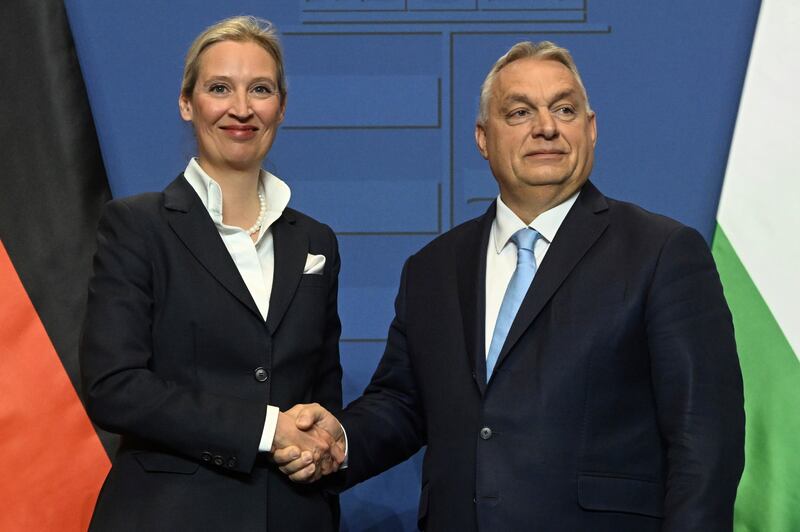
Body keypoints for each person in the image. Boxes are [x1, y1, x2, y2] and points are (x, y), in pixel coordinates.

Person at [276, 41, 745, 531]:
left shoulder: (661, 251)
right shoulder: (433, 268)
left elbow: (706, 439)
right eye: (520, 112)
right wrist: (341, 440)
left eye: (564, 109)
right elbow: (403, 403)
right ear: (483, 138)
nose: (547, 126)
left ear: (591, 128)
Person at [80, 16, 344, 531]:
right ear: (187, 103)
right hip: (169, 514)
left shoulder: (317, 241)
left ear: (281, 107)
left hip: (294, 516)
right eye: (219, 88)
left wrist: (324, 438)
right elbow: (115, 386)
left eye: (260, 90)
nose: (241, 108)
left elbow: (322, 389)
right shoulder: (137, 225)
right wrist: (268, 429)